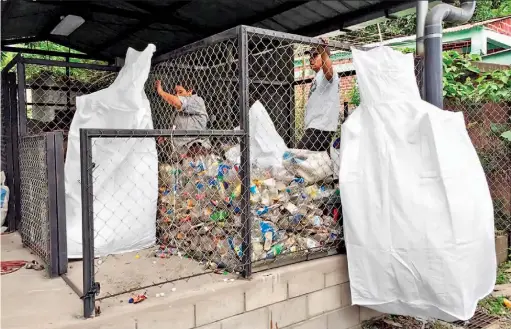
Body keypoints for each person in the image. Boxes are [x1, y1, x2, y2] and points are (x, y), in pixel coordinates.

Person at [297, 38, 340, 153]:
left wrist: (322, 50)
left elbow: (329, 72)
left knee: (296, 157)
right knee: (321, 164)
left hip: (320, 127)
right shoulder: (317, 76)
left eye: (315, 55)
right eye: (310, 56)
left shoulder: (328, 74)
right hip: (316, 127)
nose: (311, 59)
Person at [154, 80, 210, 158]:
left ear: (190, 91)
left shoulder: (196, 100)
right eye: (176, 93)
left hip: (196, 148)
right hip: (181, 153)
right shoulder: (178, 112)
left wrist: (161, 92)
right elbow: (178, 126)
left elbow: (177, 102)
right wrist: (166, 136)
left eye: (180, 92)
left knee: (197, 149)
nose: (177, 95)